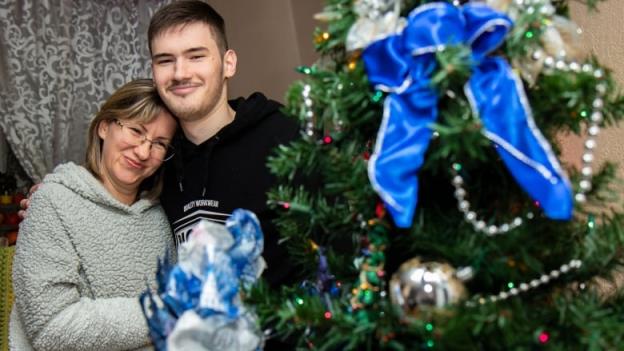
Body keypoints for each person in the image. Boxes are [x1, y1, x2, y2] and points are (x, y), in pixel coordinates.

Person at [10, 79, 177, 351]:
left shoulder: (160, 219)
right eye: (136, 130)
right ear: (103, 127)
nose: (144, 151)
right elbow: (51, 326)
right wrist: (162, 313)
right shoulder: (54, 202)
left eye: (159, 143)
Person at [148, 0, 299, 286]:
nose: (180, 73)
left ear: (228, 63)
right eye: (165, 60)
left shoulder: (283, 135)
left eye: (196, 56)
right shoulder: (155, 160)